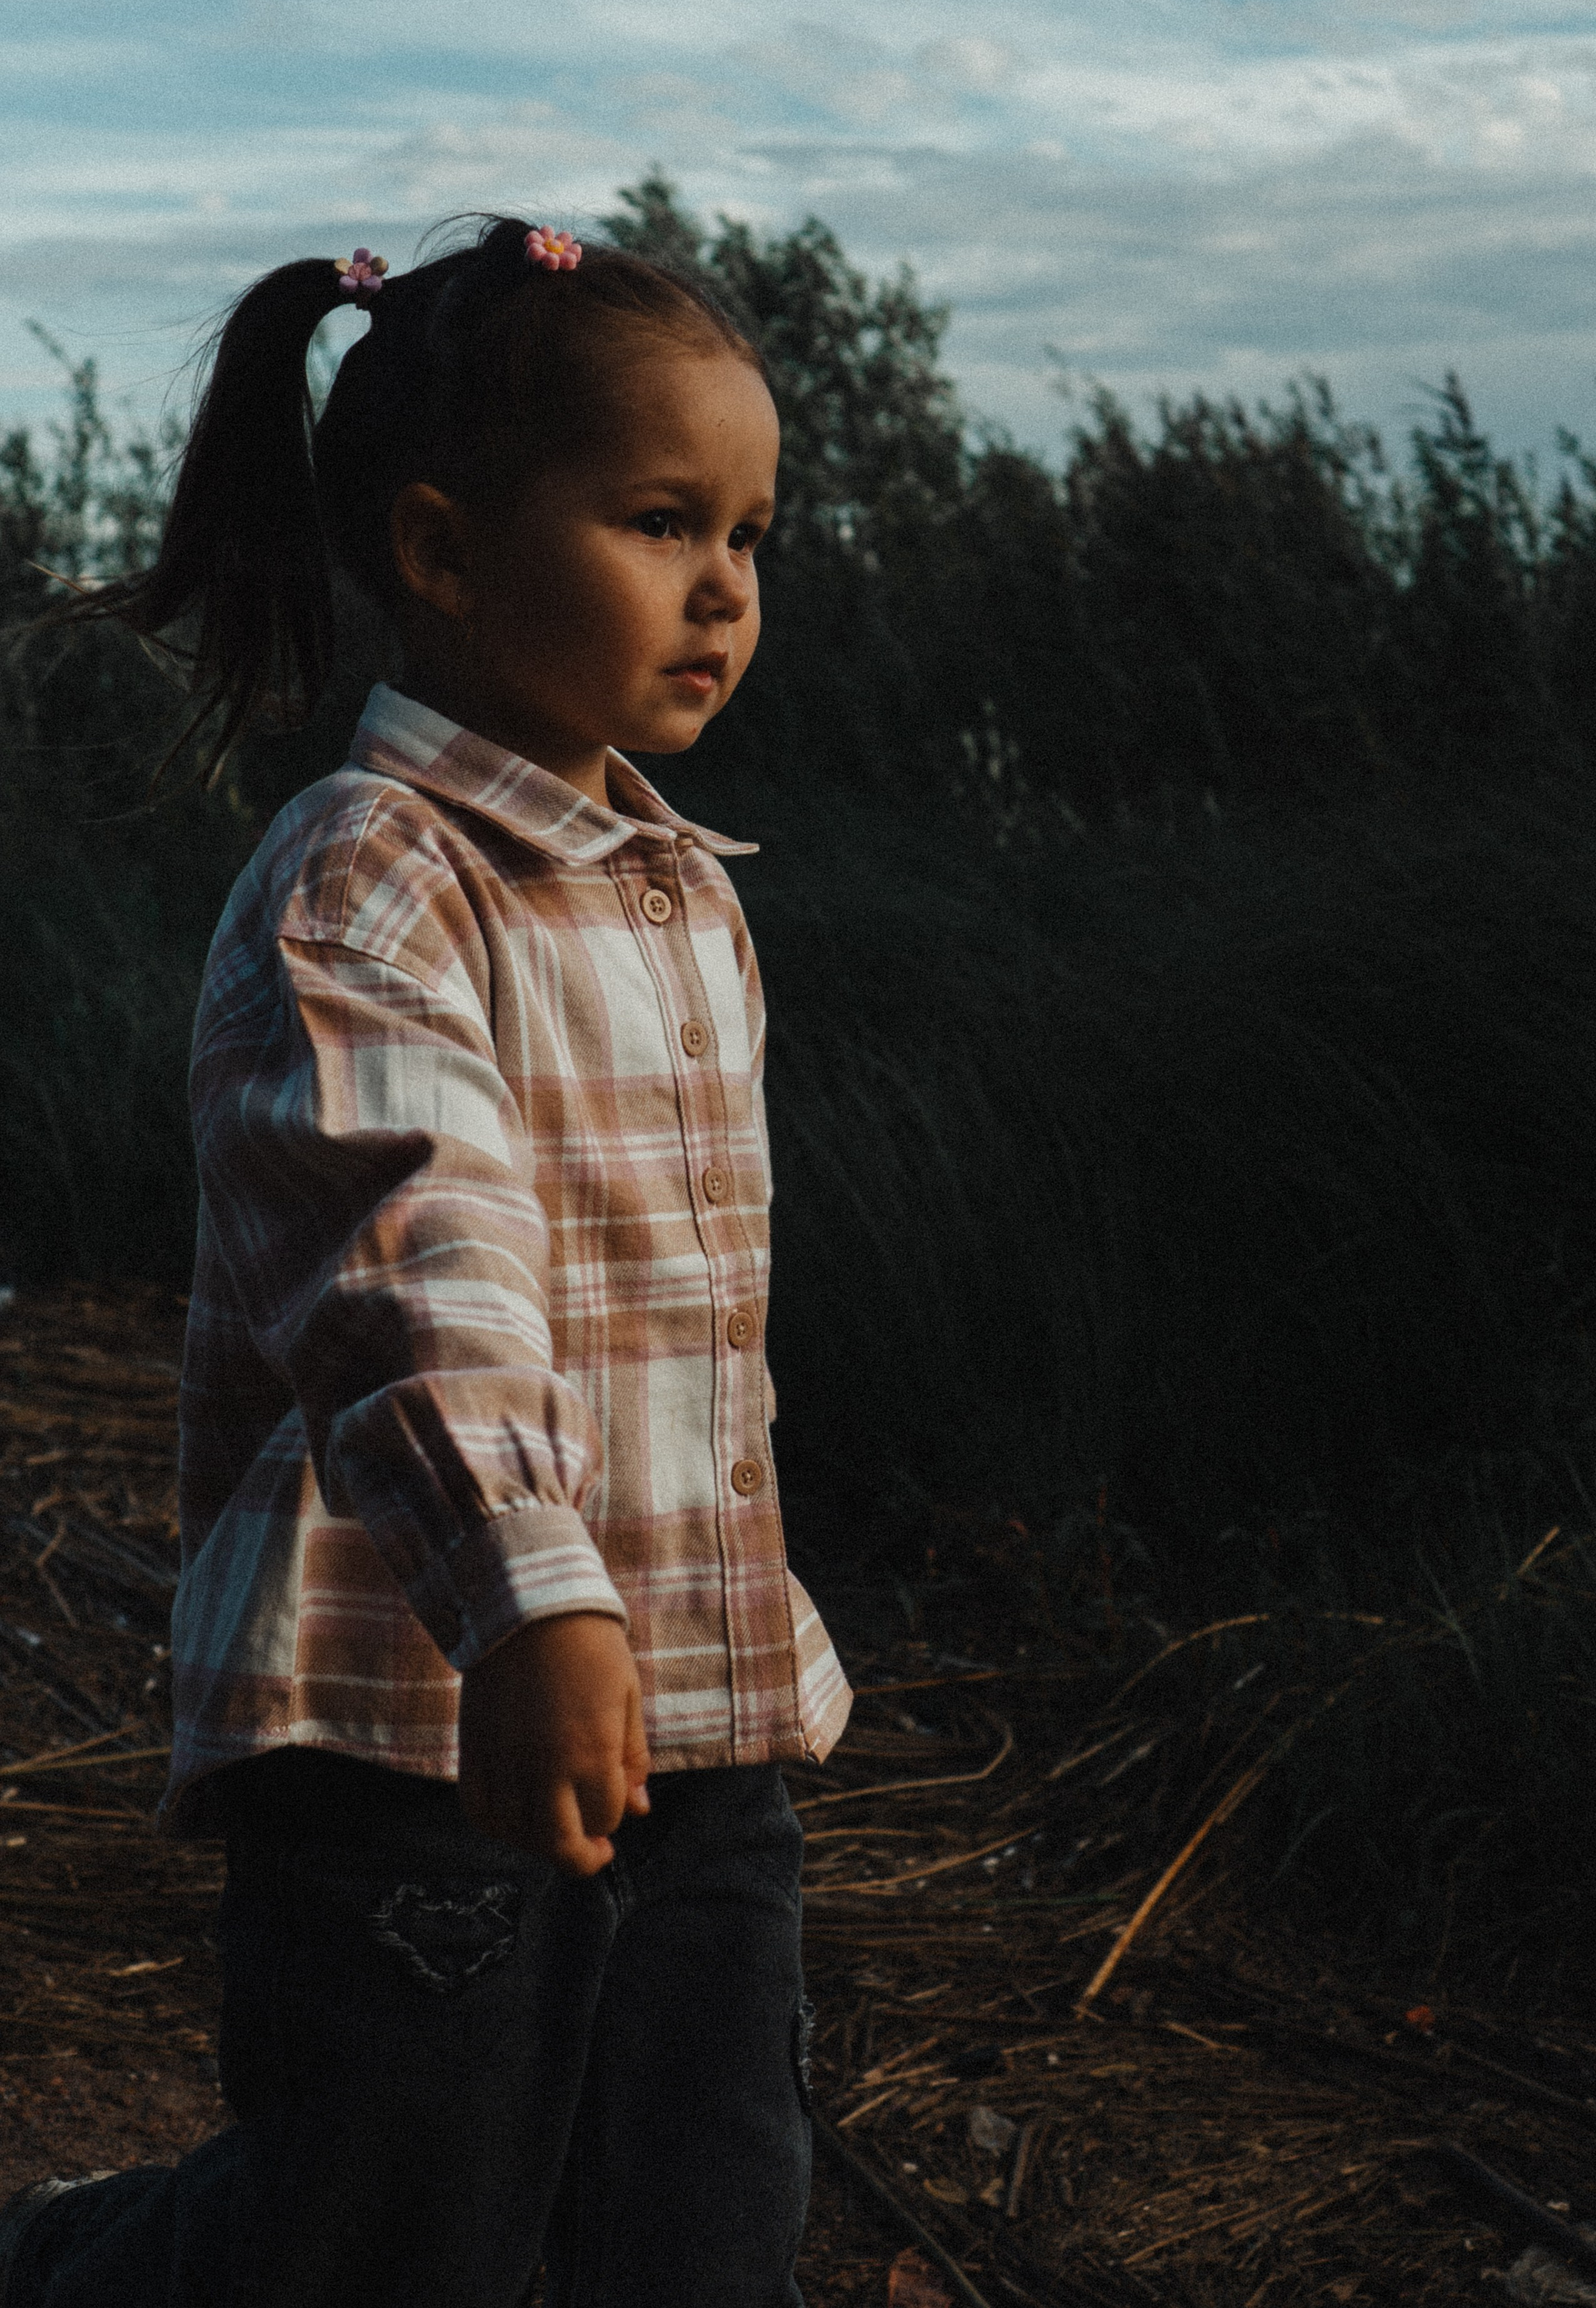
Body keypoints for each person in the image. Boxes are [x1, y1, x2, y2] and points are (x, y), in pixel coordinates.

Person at [0, 217, 851, 2308]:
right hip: (418, 1710)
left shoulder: (679, 894)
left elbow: (693, 1330)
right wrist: (528, 1595)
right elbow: (412, 1254)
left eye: (752, 529)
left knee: (705, 2219)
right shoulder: (364, 876)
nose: (727, 582)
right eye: (663, 521)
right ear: (448, 554)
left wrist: (672, 1623)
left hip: (698, 1703)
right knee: (391, 2234)